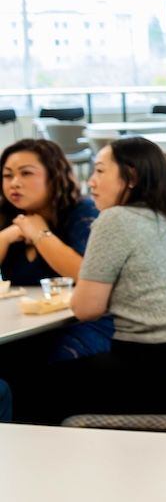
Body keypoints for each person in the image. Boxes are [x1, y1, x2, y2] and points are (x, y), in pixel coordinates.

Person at [9, 137, 166, 424]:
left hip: (161, 376)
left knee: (25, 387)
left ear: (131, 176)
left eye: (99, 171)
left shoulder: (115, 219)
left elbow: (86, 309)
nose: (91, 181)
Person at [0, 137, 112, 362]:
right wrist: (5, 237)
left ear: (54, 176)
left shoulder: (83, 212)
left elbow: (84, 273)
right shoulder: (8, 215)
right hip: (26, 325)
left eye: (26, 173)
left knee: (46, 361)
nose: (14, 183)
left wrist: (40, 234)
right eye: (7, 175)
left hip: (81, 324)